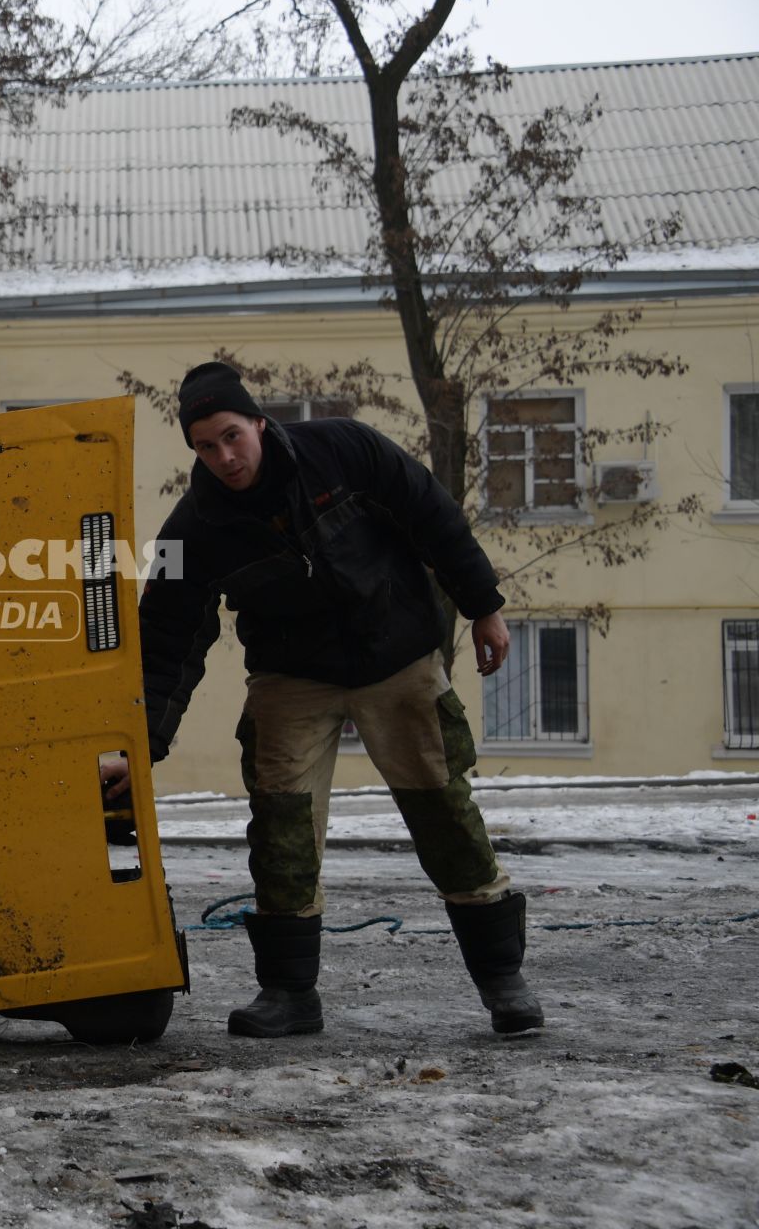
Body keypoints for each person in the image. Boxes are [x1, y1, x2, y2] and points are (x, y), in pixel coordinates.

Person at [104, 360, 544, 1038]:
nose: (224, 457)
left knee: (445, 815)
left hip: (397, 656)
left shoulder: (344, 448)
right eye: (205, 446)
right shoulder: (193, 529)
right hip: (291, 677)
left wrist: (483, 605)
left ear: (258, 421)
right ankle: (288, 994)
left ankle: (503, 983)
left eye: (231, 436)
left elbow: (431, 512)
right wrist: (141, 745)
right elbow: (165, 642)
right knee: (280, 826)